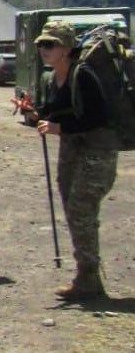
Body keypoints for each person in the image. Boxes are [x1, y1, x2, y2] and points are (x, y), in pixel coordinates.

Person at [32, 20, 117, 300]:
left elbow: (98, 117)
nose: (44, 49)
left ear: (67, 48)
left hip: (96, 150)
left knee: (81, 207)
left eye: (50, 44)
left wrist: (60, 128)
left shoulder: (83, 75)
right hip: (72, 150)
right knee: (72, 207)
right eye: (41, 44)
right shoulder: (51, 78)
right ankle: (86, 274)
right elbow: (55, 113)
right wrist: (35, 115)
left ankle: (89, 276)